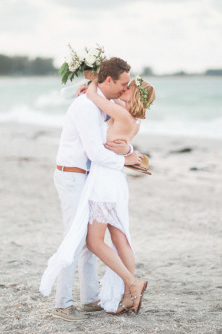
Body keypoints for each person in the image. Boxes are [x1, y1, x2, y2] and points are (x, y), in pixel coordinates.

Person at [39, 57, 142, 321]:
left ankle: (90, 299)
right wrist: (124, 160)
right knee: (74, 239)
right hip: (72, 177)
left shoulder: (101, 107)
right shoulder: (86, 107)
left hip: (87, 178)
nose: (124, 88)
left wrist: (128, 151)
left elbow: (120, 134)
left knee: (88, 242)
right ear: (108, 80)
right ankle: (63, 304)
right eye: (122, 83)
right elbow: (96, 153)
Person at [83, 75, 155, 315]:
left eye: (128, 87)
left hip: (104, 181)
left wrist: (93, 78)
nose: (124, 88)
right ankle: (127, 296)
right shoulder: (133, 119)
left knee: (93, 241)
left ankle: (132, 283)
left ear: (133, 94)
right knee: (119, 238)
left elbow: (93, 96)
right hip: (116, 181)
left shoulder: (122, 114)